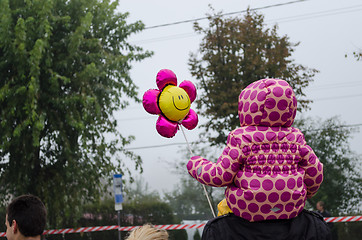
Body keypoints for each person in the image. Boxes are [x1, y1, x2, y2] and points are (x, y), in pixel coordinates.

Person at [187, 78, 324, 222]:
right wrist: (304, 193)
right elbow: (316, 173)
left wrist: (196, 165)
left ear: (246, 108)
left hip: (246, 206)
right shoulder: (296, 138)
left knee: (223, 208)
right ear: (290, 107)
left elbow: (221, 175)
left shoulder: (241, 138)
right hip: (291, 207)